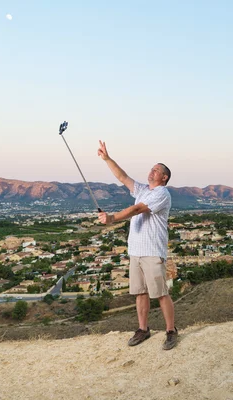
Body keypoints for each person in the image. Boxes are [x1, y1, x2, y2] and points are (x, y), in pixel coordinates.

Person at [96, 140, 177, 350]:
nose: (151, 171)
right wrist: (107, 159)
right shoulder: (142, 189)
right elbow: (122, 177)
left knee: (160, 293)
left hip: (152, 252)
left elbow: (136, 210)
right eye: (151, 169)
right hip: (136, 252)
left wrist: (112, 218)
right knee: (140, 293)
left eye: (156, 170)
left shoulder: (161, 194)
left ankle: (170, 331)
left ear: (164, 177)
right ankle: (143, 329)